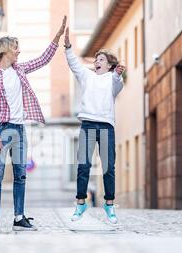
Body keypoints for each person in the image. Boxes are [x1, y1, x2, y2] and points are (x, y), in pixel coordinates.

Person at [0, 16, 67, 232]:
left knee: (20, 174)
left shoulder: (19, 70)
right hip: (1, 129)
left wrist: (56, 38)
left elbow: (42, 60)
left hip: (19, 130)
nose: (18, 52)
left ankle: (19, 217)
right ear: (4, 51)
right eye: (15, 48)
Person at [64, 27, 126, 224]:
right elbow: (74, 64)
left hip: (106, 126)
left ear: (109, 65)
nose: (96, 62)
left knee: (108, 167)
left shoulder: (112, 79)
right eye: (96, 60)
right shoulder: (87, 77)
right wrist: (67, 47)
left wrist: (117, 75)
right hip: (88, 125)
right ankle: (81, 202)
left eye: (101, 60)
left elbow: (117, 85)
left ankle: (109, 205)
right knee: (83, 165)